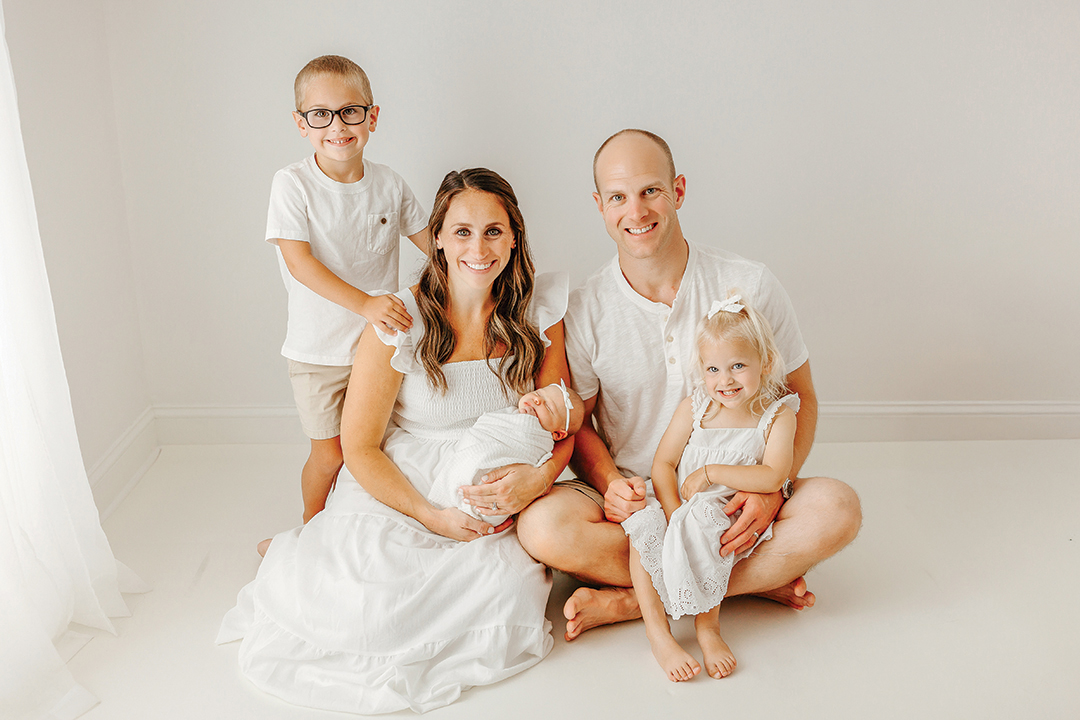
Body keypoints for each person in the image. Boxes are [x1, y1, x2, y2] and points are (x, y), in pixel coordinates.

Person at [219, 168, 571, 713]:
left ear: (516, 237)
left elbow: (562, 421)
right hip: (400, 476)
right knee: (370, 607)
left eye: (494, 231)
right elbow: (359, 446)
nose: (478, 248)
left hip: (489, 475)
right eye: (461, 231)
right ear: (436, 238)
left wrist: (537, 480)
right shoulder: (398, 319)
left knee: (499, 595)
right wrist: (431, 517)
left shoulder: (539, 312)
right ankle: (298, 551)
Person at [515, 128, 862, 641]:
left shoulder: (750, 283)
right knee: (541, 528)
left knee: (838, 509)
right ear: (600, 206)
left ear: (677, 191)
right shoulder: (586, 308)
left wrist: (773, 489)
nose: (636, 211)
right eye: (618, 197)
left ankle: (638, 601)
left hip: (732, 495)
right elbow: (581, 421)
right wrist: (611, 484)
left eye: (650, 190)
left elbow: (800, 397)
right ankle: (741, 583)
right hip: (639, 504)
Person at [267, 55, 429, 524]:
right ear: (302, 124)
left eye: (350, 111)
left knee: (376, 447)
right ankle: (310, 528)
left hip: (376, 350)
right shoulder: (292, 185)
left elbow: (433, 244)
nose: (337, 125)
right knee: (332, 453)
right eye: (320, 114)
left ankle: (358, 527)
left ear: (372, 116)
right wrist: (367, 304)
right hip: (317, 353)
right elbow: (299, 263)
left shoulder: (389, 185)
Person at [624, 295, 799, 682]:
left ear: (765, 363)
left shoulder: (777, 416)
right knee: (643, 530)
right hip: (680, 506)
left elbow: (772, 476)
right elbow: (663, 464)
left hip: (728, 512)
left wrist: (709, 472)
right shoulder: (696, 407)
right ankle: (658, 634)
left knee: (705, 523)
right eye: (713, 369)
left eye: (738, 366)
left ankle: (708, 628)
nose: (726, 380)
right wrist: (671, 512)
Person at [427, 381, 584, 525]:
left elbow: (537, 463)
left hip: (503, 485)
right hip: (464, 452)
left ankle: (475, 504)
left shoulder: (541, 440)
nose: (537, 400)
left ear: (557, 435)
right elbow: (485, 427)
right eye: (538, 393)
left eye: (548, 408)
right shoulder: (509, 414)